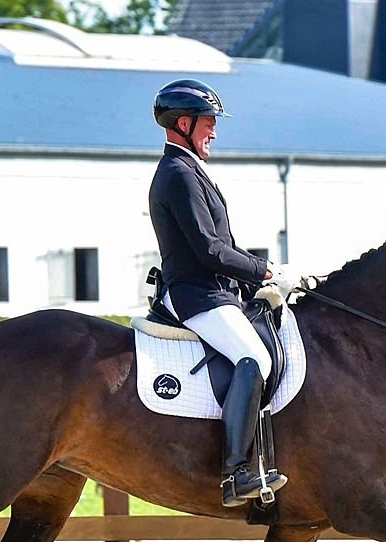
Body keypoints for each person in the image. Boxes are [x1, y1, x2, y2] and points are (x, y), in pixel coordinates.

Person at [148, 78, 299, 507]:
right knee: (254, 359)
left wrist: (262, 279)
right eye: (209, 122)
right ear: (184, 123)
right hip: (197, 294)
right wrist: (265, 269)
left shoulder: (191, 170)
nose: (214, 131)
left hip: (218, 291)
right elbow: (209, 249)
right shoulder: (178, 174)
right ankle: (236, 472)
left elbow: (225, 245)